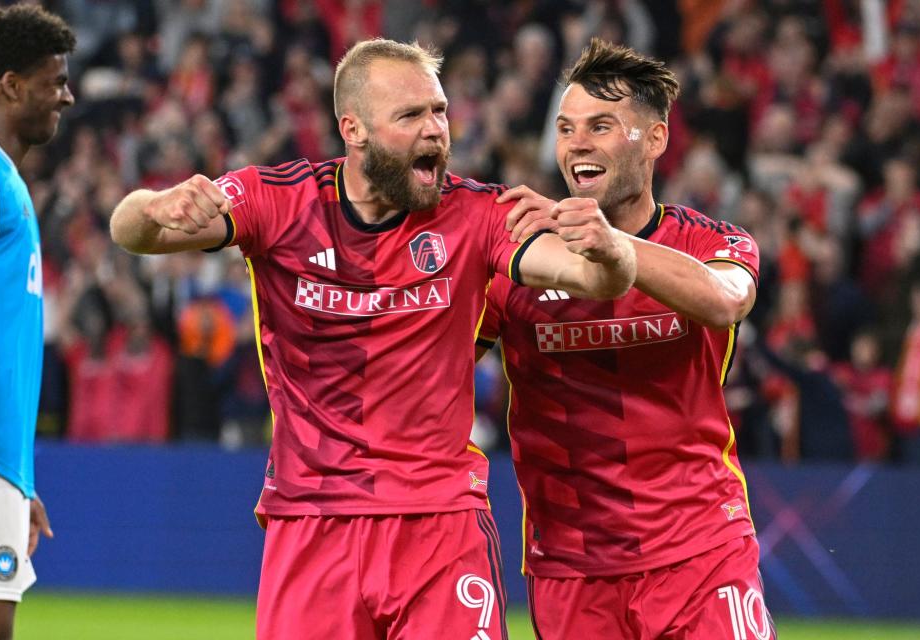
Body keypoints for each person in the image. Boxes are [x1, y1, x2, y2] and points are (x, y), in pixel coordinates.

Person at [109, 38, 637, 640]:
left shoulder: (480, 214)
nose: (436, 130)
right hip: (312, 521)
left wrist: (608, 250)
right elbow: (130, 230)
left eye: (439, 111)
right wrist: (157, 204)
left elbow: (591, 276)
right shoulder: (278, 200)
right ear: (353, 129)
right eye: (411, 116)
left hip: (439, 522)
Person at [477, 39, 777, 638]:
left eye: (601, 126)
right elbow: (432, 363)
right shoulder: (519, 260)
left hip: (701, 552)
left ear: (657, 139)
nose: (576, 144)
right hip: (572, 569)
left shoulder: (712, 243)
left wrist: (617, 247)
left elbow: (725, 301)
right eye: (565, 129)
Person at [0, 5, 75, 639]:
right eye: (55, 80)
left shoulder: (7, 179)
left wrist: (17, 479)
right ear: (11, 84)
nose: (67, 97)